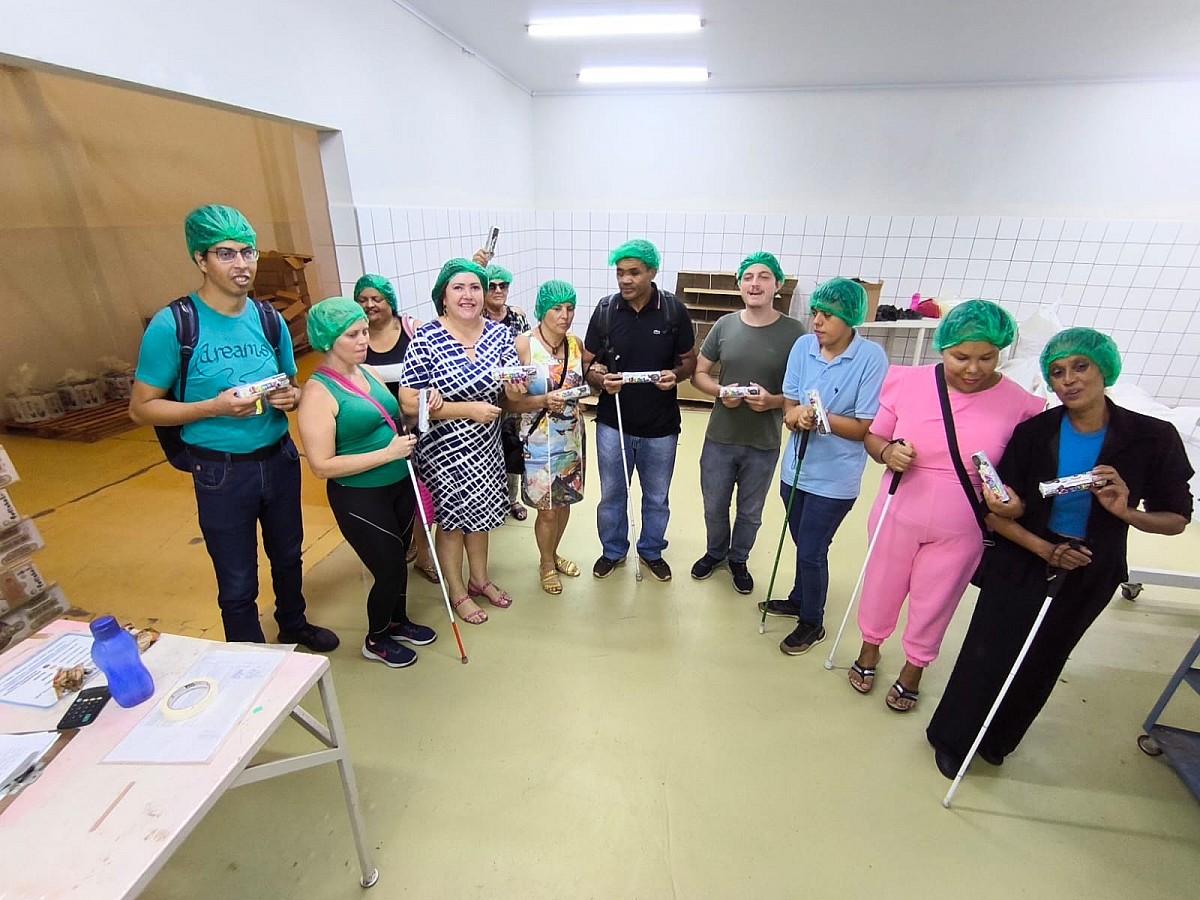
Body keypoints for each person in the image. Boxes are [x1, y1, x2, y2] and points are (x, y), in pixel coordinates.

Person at [927, 328, 1192, 776]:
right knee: (987, 650)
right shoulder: (1034, 433)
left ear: (1104, 368)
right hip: (1024, 556)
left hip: (1092, 568)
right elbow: (998, 515)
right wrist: (1045, 548)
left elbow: (1176, 519)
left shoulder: (1152, 437)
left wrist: (1126, 512)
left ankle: (998, 740)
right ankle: (954, 738)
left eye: (1080, 366)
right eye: (1057, 372)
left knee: (1045, 657)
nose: (1068, 380)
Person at [129, 204, 337, 651]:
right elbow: (141, 409)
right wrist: (212, 408)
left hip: (279, 457)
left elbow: (292, 383)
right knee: (237, 576)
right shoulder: (175, 324)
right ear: (200, 259)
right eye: (225, 254)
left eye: (248, 252)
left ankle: (294, 624)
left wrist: (291, 397)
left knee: (288, 556)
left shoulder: (267, 318)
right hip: (220, 471)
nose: (242, 264)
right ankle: (248, 658)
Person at [846, 299, 1044, 711]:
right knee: (882, 583)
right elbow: (874, 437)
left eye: (987, 357)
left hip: (965, 521)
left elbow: (1022, 471)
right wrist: (887, 453)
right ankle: (870, 648)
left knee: (938, 597)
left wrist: (1008, 497)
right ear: (943, 347)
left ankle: (915, 667)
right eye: (961, 357)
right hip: (898, 508)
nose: (973, 369)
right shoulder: (907, 382)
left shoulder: (1021, 405)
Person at [296, 298, 436, 668]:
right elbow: (322, 466)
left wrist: (421, 409)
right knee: (388, 567)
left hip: (399, 483)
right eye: (353, 334)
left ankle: (397, 621)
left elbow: (393, 415)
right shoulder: (317, 393)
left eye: (364, 332)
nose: (364, 340)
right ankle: (375, 640)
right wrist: (386, 455)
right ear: (328, 341)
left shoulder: (367, 372)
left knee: (399, 561)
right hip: (360, 495)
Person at [764, 278, 888, 656]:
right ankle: (800, 597)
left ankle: (812, 622)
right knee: (803, 542)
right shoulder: (804, 346)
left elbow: (866, 427)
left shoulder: (870, 359)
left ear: (851, 319)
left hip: (834, 480)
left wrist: (820, 419)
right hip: (795, 469)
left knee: (813, 549)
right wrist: (794, 415)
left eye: (828, 315)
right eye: (815, 312)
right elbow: (788, 404)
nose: (817, 321)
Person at [399, 258, 520, 625]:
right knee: (451, 524)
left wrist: (517, 387)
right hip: (444, 450)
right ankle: (457, 590)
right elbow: (407, 400)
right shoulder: (427, 337)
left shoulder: (499, 334)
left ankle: (479, 578)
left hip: (486, 448)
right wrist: (465, 409)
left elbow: (513, 384)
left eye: (475, 288)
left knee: (481, 518)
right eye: (458, 288)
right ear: (444, 297)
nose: (468, 295)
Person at [690, 252, 806, 595]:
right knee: (714, 504)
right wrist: (720, 391)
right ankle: (715, 552)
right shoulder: (725, 325)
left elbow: (799, 392)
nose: (755, 283)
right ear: (739, 284)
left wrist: (771, 401)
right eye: (748, 277)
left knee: (751, 511)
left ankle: (738, 558)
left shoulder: (794, 333)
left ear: (778, 285)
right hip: (720, 436)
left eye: (764, 277)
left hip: (764, 440)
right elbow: (699, 374)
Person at [583, 239, 697, 581]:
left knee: (657, 496)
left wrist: (675, 376)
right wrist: (600, 381)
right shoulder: (605, 311)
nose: (625, 280)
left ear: (652, 272)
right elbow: (587, 365)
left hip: (661, 425)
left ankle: (650, 550)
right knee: (612, 495)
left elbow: (689, 363)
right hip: (612, 422)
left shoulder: (673, 311)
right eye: (620, 273)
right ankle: (613, 550)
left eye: (634, 272)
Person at [353, 274, 439, 586]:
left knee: (422, 493)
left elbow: (434, 370)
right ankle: (404, 545)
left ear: (390, 300)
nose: (370, 305)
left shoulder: (411, 330)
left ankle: (426, 558)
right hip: (376, 431)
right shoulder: (357, 339)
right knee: (393, 494)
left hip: (418, 427)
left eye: (376, 298)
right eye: (363, 300)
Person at [512, 280, 587, 595]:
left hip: (570, 436)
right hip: (538, 439)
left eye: (569, 308)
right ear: (542, 310)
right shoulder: (525, 345)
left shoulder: (575, 344)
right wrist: (543, 401)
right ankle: (545, 563)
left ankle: (554, 553)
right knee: (547, 508)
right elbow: (510, 402)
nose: (565, 315)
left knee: (565, 501)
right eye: (557, 308)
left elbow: (581, 385)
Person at [471, 252, 530, 522]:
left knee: (512, 446)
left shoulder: (517, 317)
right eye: (491, 285)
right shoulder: (473, 317)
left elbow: (529, 349)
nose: (497, 291)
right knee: (485, 450)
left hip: (513, 394)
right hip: (482, 396)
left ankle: (512, 499)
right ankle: (489, 499)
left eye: (502, 286)